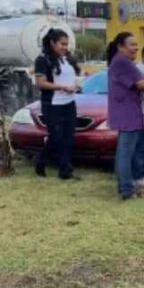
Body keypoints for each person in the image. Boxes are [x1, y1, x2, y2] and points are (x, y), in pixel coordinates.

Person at [106, 32, 144, 200]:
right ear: (121, 46)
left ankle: (125, 184)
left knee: (124, 151)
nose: (135, 48)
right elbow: (142, 84)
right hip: (128, 113)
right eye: (131, 44)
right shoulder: (123, 63)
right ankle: (127, 189)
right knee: (126, 152)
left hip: (126, 112)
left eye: (136, 44)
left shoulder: (119, 63)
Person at [33, 29, 81, 180]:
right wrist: (61, 87)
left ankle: (65, 170)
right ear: (52, 43)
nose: (65, 47)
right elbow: (41, 83)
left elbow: (72, 77)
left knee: (68, 137)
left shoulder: (67, 59)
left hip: (69, 102)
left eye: (66, 44)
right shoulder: (43, 59)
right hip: (53, 104)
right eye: (62, 44)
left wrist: (76, 85)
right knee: (56, 136)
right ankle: (41, 160)